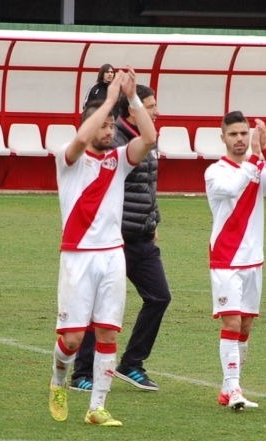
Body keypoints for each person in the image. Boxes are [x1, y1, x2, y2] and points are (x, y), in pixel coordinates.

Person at [48, 66, 155, 428]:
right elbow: (81, 139)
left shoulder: (119, 160)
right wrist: (110, 97)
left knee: (109, 332)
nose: (109, 132)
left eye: (112, 126)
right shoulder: (68, 158)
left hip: (112, 254)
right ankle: (59, 380)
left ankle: (97, 407)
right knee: (74, 339)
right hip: (77, 255)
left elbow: (150, 140)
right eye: (103, 126)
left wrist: (132, 99)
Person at [70, 85, 171, 393]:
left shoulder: (145, 138)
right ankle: (81, 373)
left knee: (159, 297)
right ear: (131, 110)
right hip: (113, 239)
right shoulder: (113, 140)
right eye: (150, 105)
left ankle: (131, 363)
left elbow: (146, 185)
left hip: (141, 236)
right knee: (97, 309)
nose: (155, 111)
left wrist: (152, 219)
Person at [205, 112, 266, 410]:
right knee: (231, 321)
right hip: (226, 259)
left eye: (244, 133)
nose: (240, 139)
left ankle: (228, 389)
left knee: (245, 327)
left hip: (254, 260)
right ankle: (234, 389)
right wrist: (255, 159)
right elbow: (231, 189)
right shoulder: (215, 172)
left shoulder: (257, 168)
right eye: (234, 134)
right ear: (223, 138)